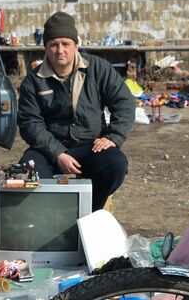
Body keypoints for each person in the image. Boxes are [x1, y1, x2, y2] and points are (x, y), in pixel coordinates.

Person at [17, 11, 134, 209]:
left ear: (76, 45)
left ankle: (89, 210)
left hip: (90, 145)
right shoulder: (33, 81)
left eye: (65, 44)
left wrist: (113, 137)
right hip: (50, 149)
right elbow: (30, 124)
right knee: (28, 172)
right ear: (45, 48)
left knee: (116, 165)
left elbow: (124, 102)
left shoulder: (98, 68)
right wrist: (58, 154)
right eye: (53, 44)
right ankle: (55, 217)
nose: (60, 50)